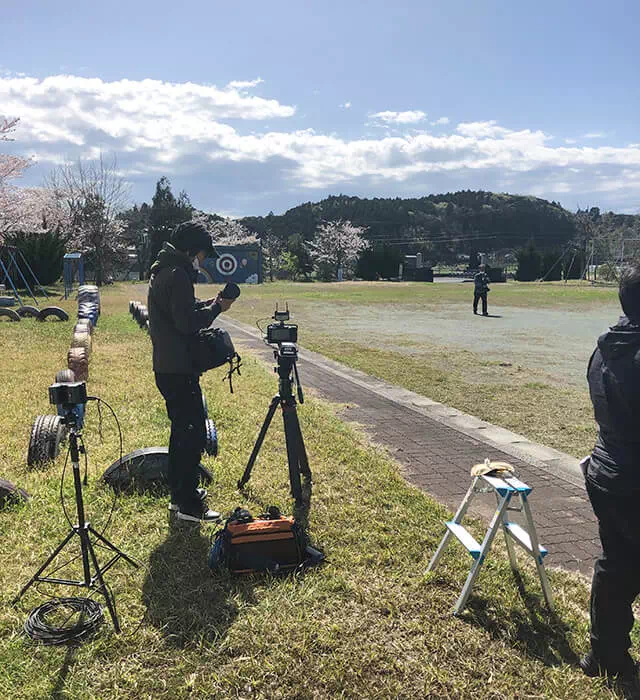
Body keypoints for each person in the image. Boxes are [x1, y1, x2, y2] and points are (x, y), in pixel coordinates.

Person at [148, 221, 236, 523]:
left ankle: (180, 498)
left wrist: (210, 303)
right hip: (178, 369)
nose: (202, 259)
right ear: (189, 250)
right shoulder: (177, 274)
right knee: (191, 434)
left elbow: (180, 312)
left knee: (182, 432)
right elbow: (186, 323)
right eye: (200, 253)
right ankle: (188, 505)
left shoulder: (165, 269)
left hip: (169, 367)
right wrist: (217, 310)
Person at [582, 263, 640, 698]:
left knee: (616, 566)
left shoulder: (606, 348)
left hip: (606, 472)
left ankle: (604, 654)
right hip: (632, 479)